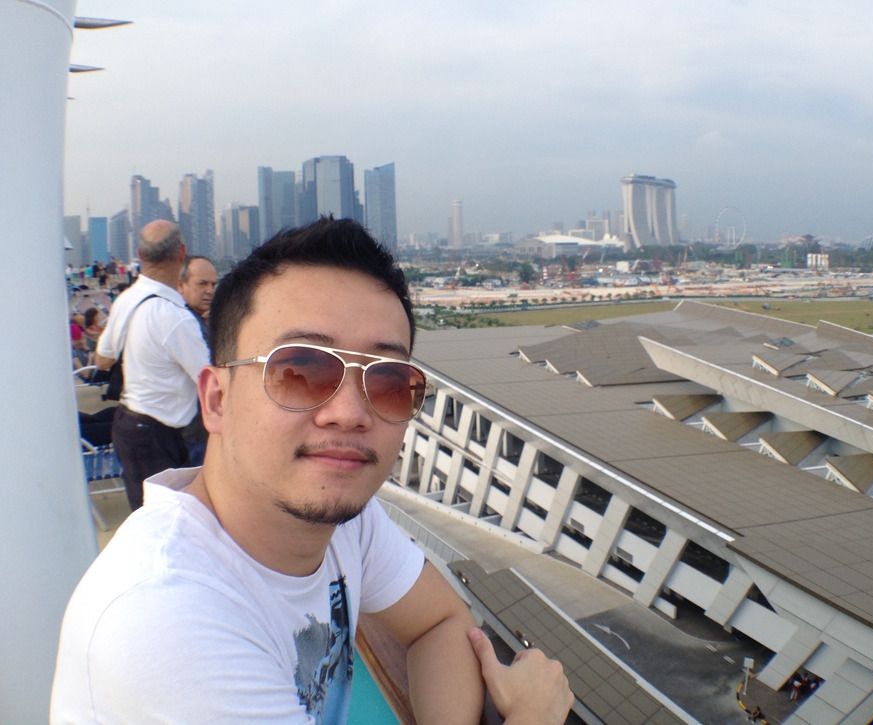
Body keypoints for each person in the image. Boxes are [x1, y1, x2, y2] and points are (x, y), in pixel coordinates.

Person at [51, 218, 573, 724]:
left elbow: (438, 621)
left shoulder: (344, 522)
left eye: (388, 381)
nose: (350, 413)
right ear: (216, 399)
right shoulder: (165, 619)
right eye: (300, 370)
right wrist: (533, 714)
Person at [93, 220, 209, 510]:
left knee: (147, 514)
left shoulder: (126, 301)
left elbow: (102, 359)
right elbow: (209, 381)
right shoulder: (175, 318)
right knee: (169, 516)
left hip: (129, 426)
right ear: (181, 253)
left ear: (139, 254)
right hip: (160, 436)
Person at [178, 254, 218, 464]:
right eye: (202, 284)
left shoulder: (196, 320)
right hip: (192, 430)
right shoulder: (184, 324)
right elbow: (208, 373)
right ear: (180, 286)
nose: (210, 290)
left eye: (213, 284)